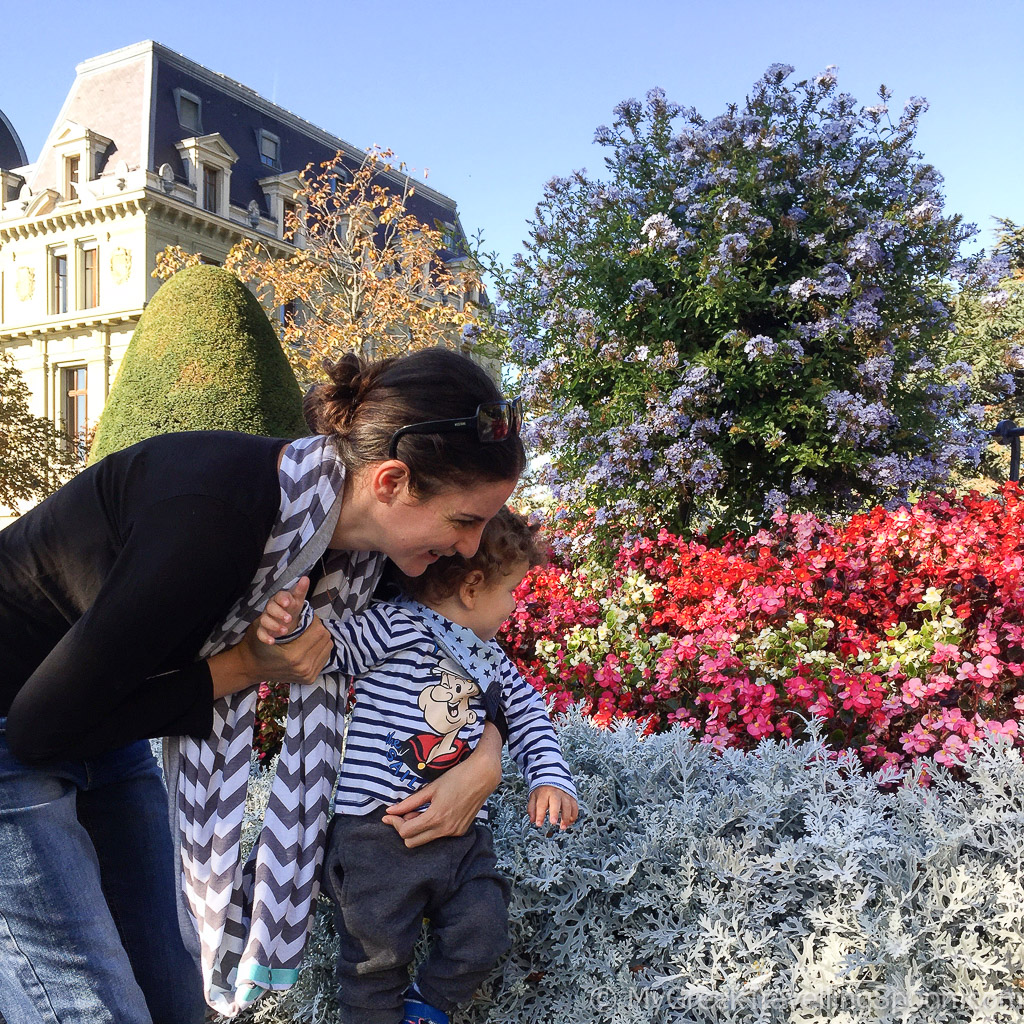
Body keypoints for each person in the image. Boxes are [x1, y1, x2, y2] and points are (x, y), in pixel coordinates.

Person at [0, 347, 525, 1024]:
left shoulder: (364, 557)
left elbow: (460, 659)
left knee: (176, 1002)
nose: (470, 549)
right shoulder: (214, 517)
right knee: (89, 1008)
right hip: (19, 719)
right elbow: (43, 727)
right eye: (465, 521)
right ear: (392, 481)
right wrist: (244, 668)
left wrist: (486, 755)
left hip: (104, 720)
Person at [258, 507, 579, 1024]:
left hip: (462, 838)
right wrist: (292, 621)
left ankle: (429, 1005)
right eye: (512, 590)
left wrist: (548, 776)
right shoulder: (395, 625)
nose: (515, 605)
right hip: (375, 834)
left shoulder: (494, 664)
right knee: (373, 961)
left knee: (484, 930)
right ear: (472, 587)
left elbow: (530, 718)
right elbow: (330, 650)